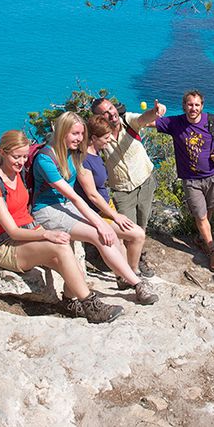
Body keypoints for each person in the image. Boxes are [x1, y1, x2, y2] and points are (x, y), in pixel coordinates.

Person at [0, 130, 123, 323]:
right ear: (3, 153)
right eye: (16, 156)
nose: (21, 162)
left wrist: (46, 233)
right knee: (61, 246)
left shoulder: (17, 174)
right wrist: (47, 234)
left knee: (72, 263)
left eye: (24, 156)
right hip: (5, 245)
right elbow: (12, 231)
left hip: (29, 233)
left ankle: (69, 303)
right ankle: (91, 306)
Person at [32, 111, 158, 305]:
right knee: (99, 235)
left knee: (118, 233)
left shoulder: (71, 153)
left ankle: (130, 278)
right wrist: (101, 223)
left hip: (67, 206)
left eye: (81, 134)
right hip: (47, 210)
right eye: (75, 134)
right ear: (62, 132)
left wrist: (104, 222)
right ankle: (137, 284)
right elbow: (74, 197)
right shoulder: (45, 159)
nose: (79, 138)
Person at [153, 90, 214, 273]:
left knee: (210, 211)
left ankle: (201, 239)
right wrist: (153, 112)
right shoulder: (175, 123)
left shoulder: (213, 121)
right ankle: (212, 251)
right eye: (190, 104)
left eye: (197, 105)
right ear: (184, 106)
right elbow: (145, 123)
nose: (193, 108)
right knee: (201, 216)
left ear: (202, 106)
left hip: (213, 177)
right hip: (191, 181)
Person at [90, 96, 166, 276]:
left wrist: (154, 113)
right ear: (99, 119)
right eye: (105, 113)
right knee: (128, 232)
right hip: (122, 190)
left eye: (111, 108)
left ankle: (138, 259)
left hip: (145, 182)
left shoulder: (127, 121)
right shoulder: (100, 138)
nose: (111, 113)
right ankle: (128, 269)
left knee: (142, 225)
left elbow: (143, 119)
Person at [75, 114, 148, 278]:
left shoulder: (96, 152)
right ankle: (133, 273)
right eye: (106, 137)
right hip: (97, 211)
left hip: (106, 206)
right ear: (93, 137)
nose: (109, 141)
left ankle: (124, 276)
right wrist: (115, 216)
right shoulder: (84, 159)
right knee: (137, 235)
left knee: (122, 243)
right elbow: (92, 195)